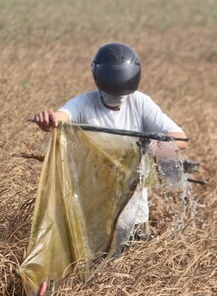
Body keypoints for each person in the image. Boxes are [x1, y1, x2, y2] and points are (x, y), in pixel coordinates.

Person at [33, 42, 188, 241]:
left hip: (133, 213)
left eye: (121, 95)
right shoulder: (84, 103)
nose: (117, 99)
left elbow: (180, 138)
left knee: (131, 267)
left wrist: (155, 146)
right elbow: (62, 117)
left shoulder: (140, 103)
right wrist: (49, 120)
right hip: (90, 212)